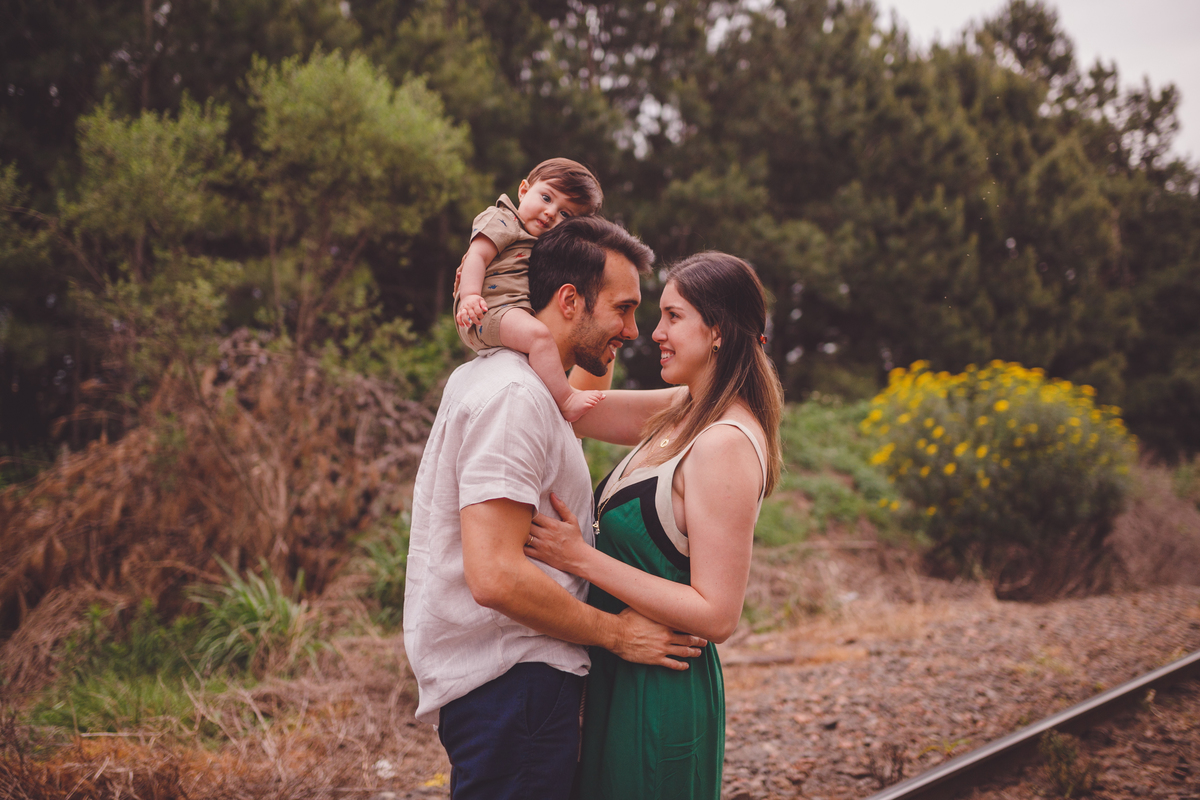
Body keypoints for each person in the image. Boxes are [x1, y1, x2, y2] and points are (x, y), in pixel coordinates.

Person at [403, 217, 707, 800]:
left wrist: (720, 386)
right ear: (570, 300)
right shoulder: (514, 400)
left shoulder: (521, 386)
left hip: (511, 685)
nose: (635, 328)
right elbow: (494, 576)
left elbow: (600, 391)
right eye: (623, 308)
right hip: (514, 682)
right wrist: (617, 634)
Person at [525, 251, 785, 800]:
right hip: (619, 672)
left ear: (716, 331)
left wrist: (580, 558)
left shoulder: (725, 444)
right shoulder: (683, 408)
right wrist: (595, 331)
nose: (653, 332)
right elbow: (574, 407)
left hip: (661, 688)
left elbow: (718, 613)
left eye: (673, 316)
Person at [453, 157, 607, 422]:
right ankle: (567, 399)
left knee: (540, 339)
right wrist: (469, 296)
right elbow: (476, 256)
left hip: (505, 311)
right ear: (523, 190)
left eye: (565, 214)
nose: (550, 213)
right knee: (539, 336)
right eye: (546, 198)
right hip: (486, 311)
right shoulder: (503, 220)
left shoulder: (539, 243)